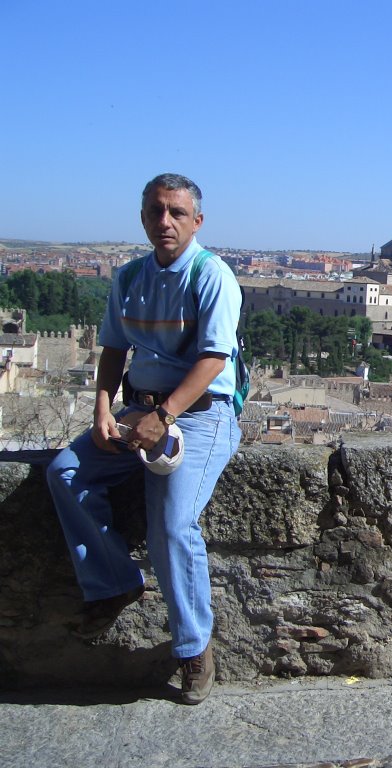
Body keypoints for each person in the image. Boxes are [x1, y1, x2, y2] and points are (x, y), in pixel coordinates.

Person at [47, 173, 242, 705]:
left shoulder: (212, 276)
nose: (165, 221)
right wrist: (102, 410)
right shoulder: (129, 276)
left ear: (196, 221)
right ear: (143, 217)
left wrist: (167, 415)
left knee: (173, 526)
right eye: (156, 211)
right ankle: (113, 583)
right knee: (65, 472)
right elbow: (112, 349)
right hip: (140, 411)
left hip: (203, 415)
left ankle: (194, 646)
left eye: (177, 212)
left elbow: (214, 359)